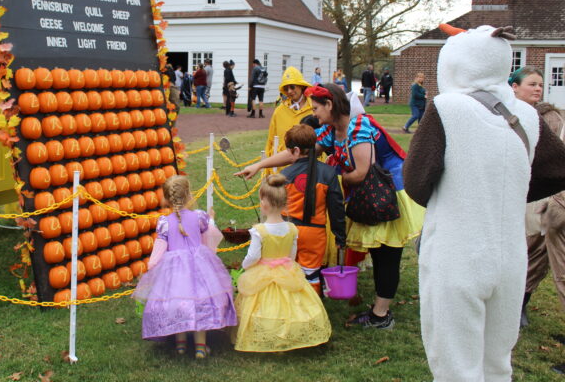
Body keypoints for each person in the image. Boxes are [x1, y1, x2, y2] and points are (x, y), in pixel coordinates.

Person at [403, 24, 565, 382]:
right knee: (496, 364)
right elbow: (557, 171)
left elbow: (415, 182)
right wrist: (505, 191)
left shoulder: (446, 108)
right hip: (509, 256)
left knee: (456, 366)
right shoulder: (526, 115)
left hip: (457, 252)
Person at [241, 83, 424, 328]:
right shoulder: (331, 131)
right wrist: (260, 166)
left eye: (316, 108)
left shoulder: (359, 128)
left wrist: (333, 180)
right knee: (380, 252)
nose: (314, 113)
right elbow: (299, 154)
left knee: (387, 254)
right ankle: (380, 311)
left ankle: (381, 315)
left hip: (386, 194)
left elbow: (361, 172)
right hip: (369, 195)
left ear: (330, 105)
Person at [133, 175, 237, 358]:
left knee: (177, 302)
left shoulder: (164, 223)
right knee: (201, 302)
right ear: (189, 195)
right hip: (199, 267)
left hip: (175, 272)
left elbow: (159, 249)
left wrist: (152, 266)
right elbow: (208, 240)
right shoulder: (199, 217)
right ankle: (200, 347)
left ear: (166, 198)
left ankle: (180, 344)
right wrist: (211, 220)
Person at [233, 173, 332, 352]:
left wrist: (246, 266)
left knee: (263, 305)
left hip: (262, 272)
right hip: (286, 269)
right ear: (286, 203)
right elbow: (292, 254)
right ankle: (290, 332)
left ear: (263, 204)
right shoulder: (292, 229)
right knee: (291, 303)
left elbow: (253, 256)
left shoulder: (259, 231)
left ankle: (266, 333)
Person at [240, 124, 346, 290]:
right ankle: (311, 309)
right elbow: (336, 208)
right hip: (315, 235)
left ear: (296, 151)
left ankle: (288, 308)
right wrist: (340, 236)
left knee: (286, 273)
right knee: (311, 277)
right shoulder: (328, 173)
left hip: (288, 232)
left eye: (288, 150)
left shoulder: (285, 175)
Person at [510, 67, 565, 337]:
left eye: (540, 84)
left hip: (543, 194)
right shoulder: (503, 116)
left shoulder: (551, 118)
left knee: (538, 250)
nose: (538, 89)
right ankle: (512, 303)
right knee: (521, 247)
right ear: (514, 88)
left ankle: (521, 302)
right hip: (514, 190)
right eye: (532, 84)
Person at [264, 67, 313, 160]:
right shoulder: (279, 111)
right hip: (283, 167)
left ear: (301, 86)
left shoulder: (314, 109)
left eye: (292, 87)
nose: (289, 91)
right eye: (286, 88)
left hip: (308, 166)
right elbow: (271, 141)